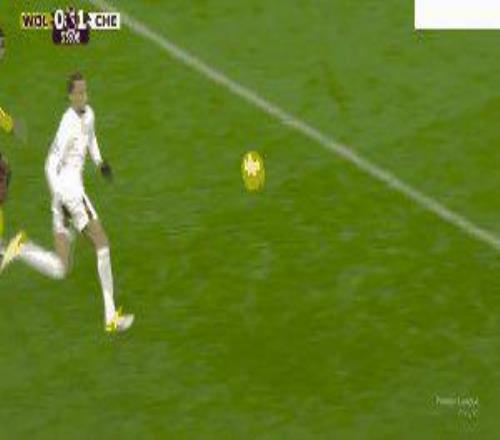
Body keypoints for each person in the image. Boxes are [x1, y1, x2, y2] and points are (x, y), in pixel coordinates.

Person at [1, 72, 134, 333]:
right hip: (69, 192)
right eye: (79, 92)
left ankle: (23, 248)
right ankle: (110, 317)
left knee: (61, 268)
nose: (84, 96)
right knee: (102, 244)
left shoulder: (89, 114)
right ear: (70, 96)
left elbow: (91, 138)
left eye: (86, 91)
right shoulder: (67, 124)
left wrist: (100, 162)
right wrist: (59, 196)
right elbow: (50, 164)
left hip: (64, 198)